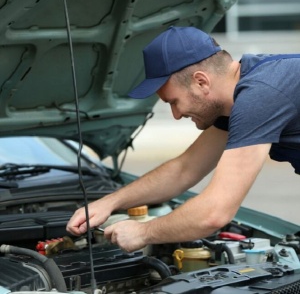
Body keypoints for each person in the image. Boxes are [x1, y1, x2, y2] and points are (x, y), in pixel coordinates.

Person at [67, 26, 300, 252]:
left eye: (173, 102)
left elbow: (214, 213)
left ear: (201, 82)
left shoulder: (259, 95)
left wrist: (143, 233)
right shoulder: (242, 93)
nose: (176, 115)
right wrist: (110, 202)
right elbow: (185, 169)